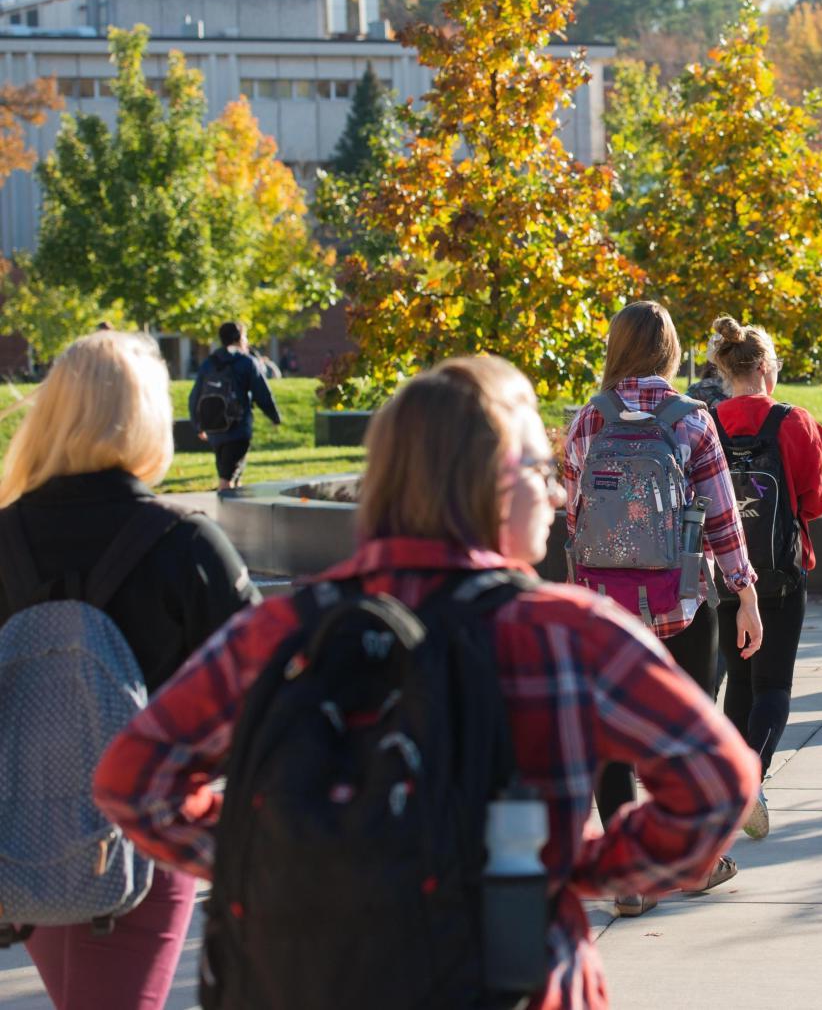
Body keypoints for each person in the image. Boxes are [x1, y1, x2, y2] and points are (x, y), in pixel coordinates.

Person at [94, 356, 759, 1010]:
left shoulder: (280, 633)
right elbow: (717, 783)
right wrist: (579, 866)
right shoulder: (569, 636)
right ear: (490, 482)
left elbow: (133, 777)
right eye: (541, 469)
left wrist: (280, 853)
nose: (560, 493)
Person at [1, 331, 259, 1010]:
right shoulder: (187, 545)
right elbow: (266, 692)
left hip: (20, 838)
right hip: (145, 838)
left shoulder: (3, 537)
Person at [563, 300, 763, 916]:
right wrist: (746, 593)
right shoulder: (692, 420)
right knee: (683, 736)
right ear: (670, 350)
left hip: (604, 608)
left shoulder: (588, 421)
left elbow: (573, 516)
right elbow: (723, 519)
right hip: (680, 602)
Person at [710, 315, 822, 839]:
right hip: (782, 573)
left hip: (725, 573)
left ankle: (730, 783)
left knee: (739, 681)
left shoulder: (707, 422)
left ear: (725, 368)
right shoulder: (792, 421)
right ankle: (752, 779)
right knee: (774, 684)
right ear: (767, 367)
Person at [187, 321, 281, 491]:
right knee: (227, 480)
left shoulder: (209, 363)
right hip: (238, 429)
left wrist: (197, 424)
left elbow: (195, 395)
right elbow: (262, 393)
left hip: (214, 428)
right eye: (245, 336)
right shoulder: (247, 362)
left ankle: (235, 511)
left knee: (230, 474)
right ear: (239, 338)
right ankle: (225, 513)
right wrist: (274, 416)